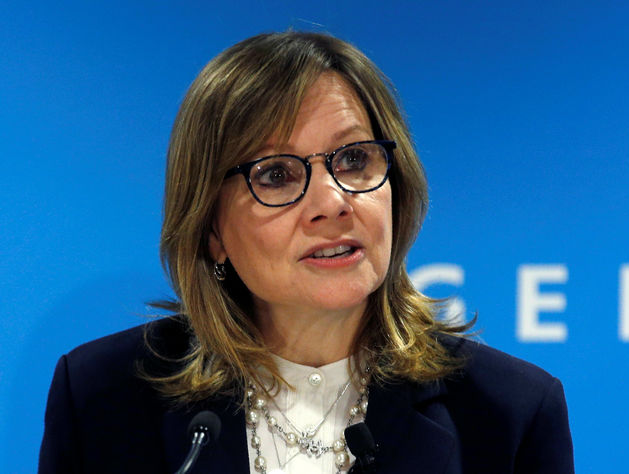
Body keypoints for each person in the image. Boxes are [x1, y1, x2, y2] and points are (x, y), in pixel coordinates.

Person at [39, 32, 574, 474]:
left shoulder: (509, 414)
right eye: (275, 174)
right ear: (211, 231)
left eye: (355, 159)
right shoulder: (102, 399)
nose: (332, 203)